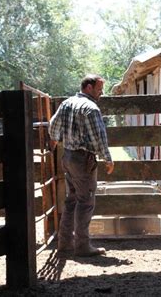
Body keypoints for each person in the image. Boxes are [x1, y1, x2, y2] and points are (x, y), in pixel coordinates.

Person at [48, 74, 114, 256]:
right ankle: (83, 246)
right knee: (86, 201)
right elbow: (98, 137)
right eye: (99, 89)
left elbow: (53, 126)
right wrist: (107, 158)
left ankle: (65, 243)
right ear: (89, 87)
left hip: (68, 156)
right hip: (83, 159)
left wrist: (55, 140)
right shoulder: (91, 108)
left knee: (71, 200)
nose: (101, 93)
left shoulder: (67, 103)